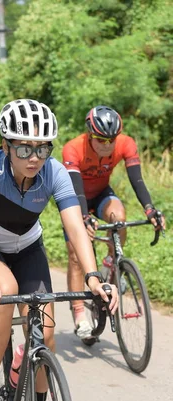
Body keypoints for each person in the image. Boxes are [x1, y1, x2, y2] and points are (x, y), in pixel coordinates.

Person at [0, 99, 118, 401]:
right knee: (3, 293)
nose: (33, 158)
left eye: (42, 150)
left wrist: (92, 277)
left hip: (28, 245)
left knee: (44, 334)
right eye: (24, 149)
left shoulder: (53, 172)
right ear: (6, 146)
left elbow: (75, 226)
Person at [62, 105, 166, 339]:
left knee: (119, 217)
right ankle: (79, 315)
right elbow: (76, 190)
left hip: (100, 193)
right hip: (73, 197)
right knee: (76, 254)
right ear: (90, 133)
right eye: (100, 139)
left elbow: (136, 179)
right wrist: (84, 217)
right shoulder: (73, 149)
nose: (107, 145)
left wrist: (150, 209)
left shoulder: (125, 144)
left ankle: (111, 264)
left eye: (111, 139)